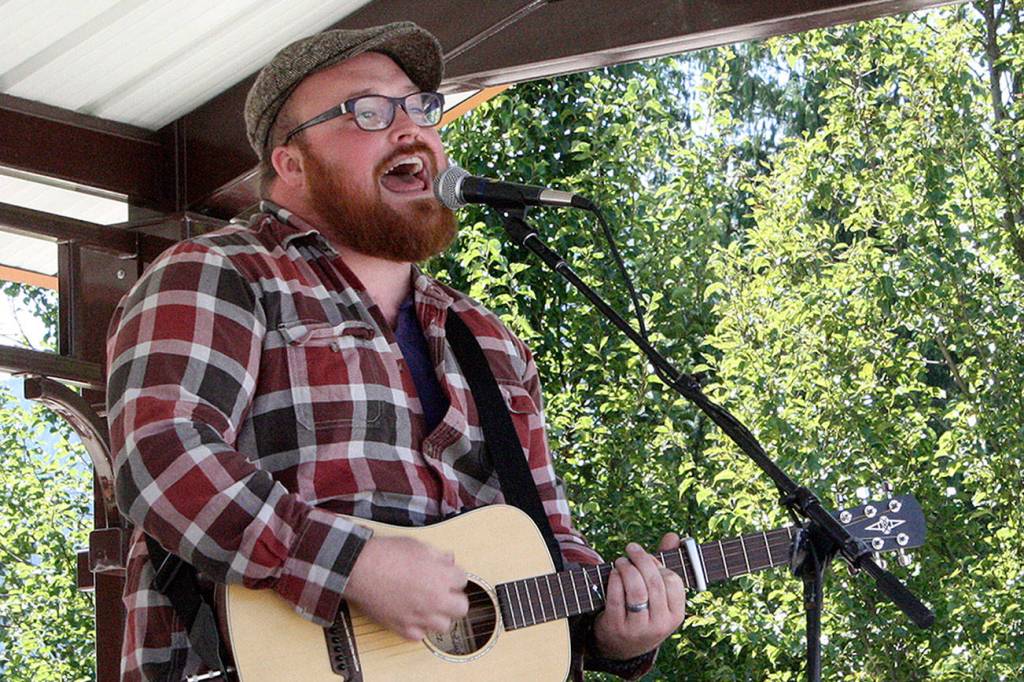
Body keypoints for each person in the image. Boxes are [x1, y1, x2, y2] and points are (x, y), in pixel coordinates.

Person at [106, 21, 686, 681]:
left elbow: (544, 546)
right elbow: (162, 458)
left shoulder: (489, 341)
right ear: (291, 163)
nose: (409, 128)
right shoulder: (222, 273)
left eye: (420, 107)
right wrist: (349, 563)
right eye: (368, 112)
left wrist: (617, 631)